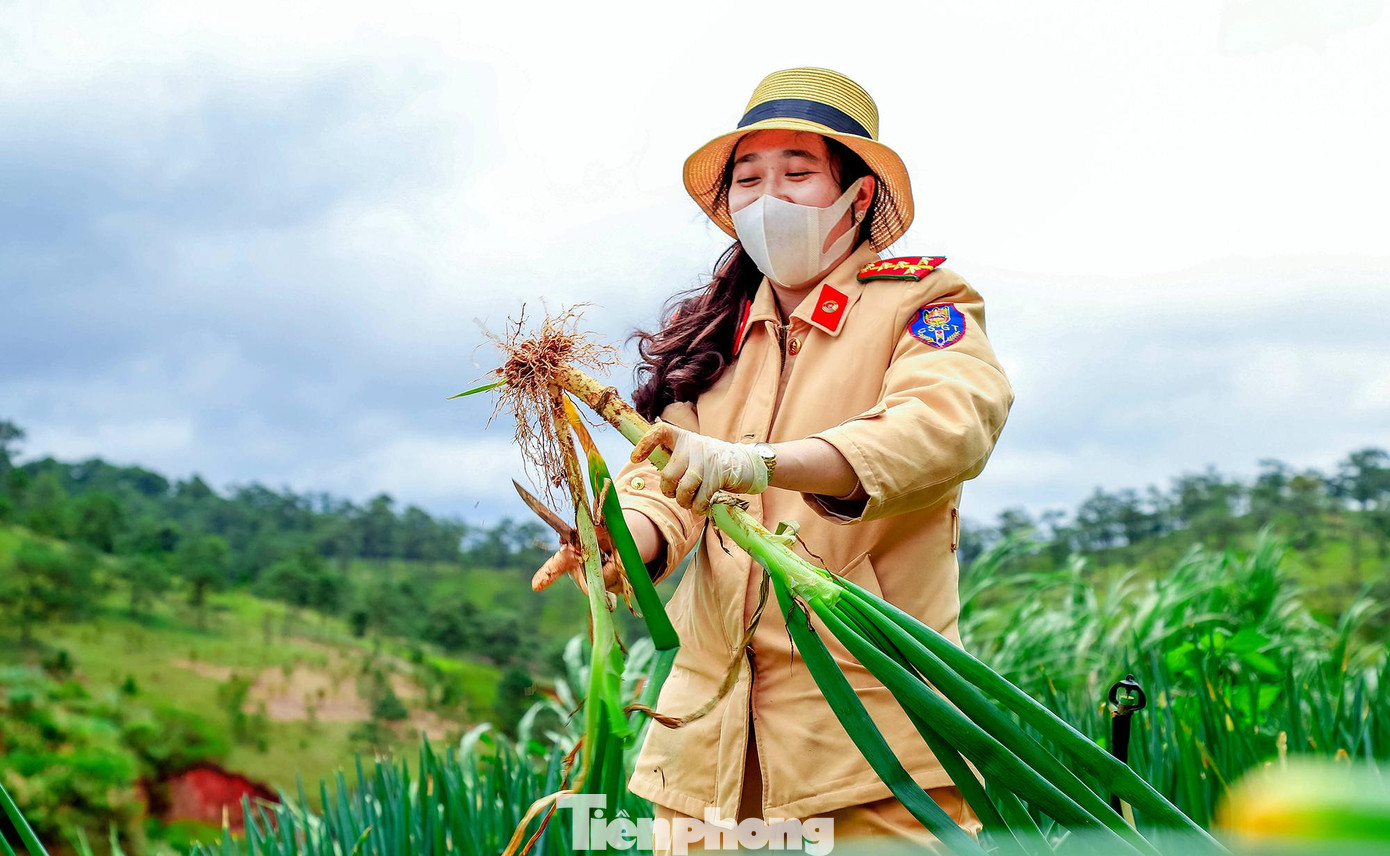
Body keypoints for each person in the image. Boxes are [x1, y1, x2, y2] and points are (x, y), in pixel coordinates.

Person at [535, 67, 1013, 849]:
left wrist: (761, 465)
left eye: (797, 174)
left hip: (871, 748)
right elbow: (660, 482)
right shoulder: (709, 336)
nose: (768, 199)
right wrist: (622, 535)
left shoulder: (921, 302)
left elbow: (946, 426)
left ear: (857, 197)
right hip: (704, 754)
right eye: (749, 180)